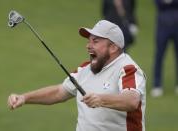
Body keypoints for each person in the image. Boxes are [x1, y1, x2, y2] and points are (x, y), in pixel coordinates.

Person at [8, 20, 146, 131]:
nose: (88, 46)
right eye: (89, 41)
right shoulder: (85, 69)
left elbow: (131, 100)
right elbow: (58, 92)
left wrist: (101, 99)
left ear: (113, 47)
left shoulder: (128, 69)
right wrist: (25, 98)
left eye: (95, 41)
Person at [151, 0, 178, 97]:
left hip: (176, 25)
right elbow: (158, 3)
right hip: (163, 26)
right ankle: (157, 85)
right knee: (159, 56)